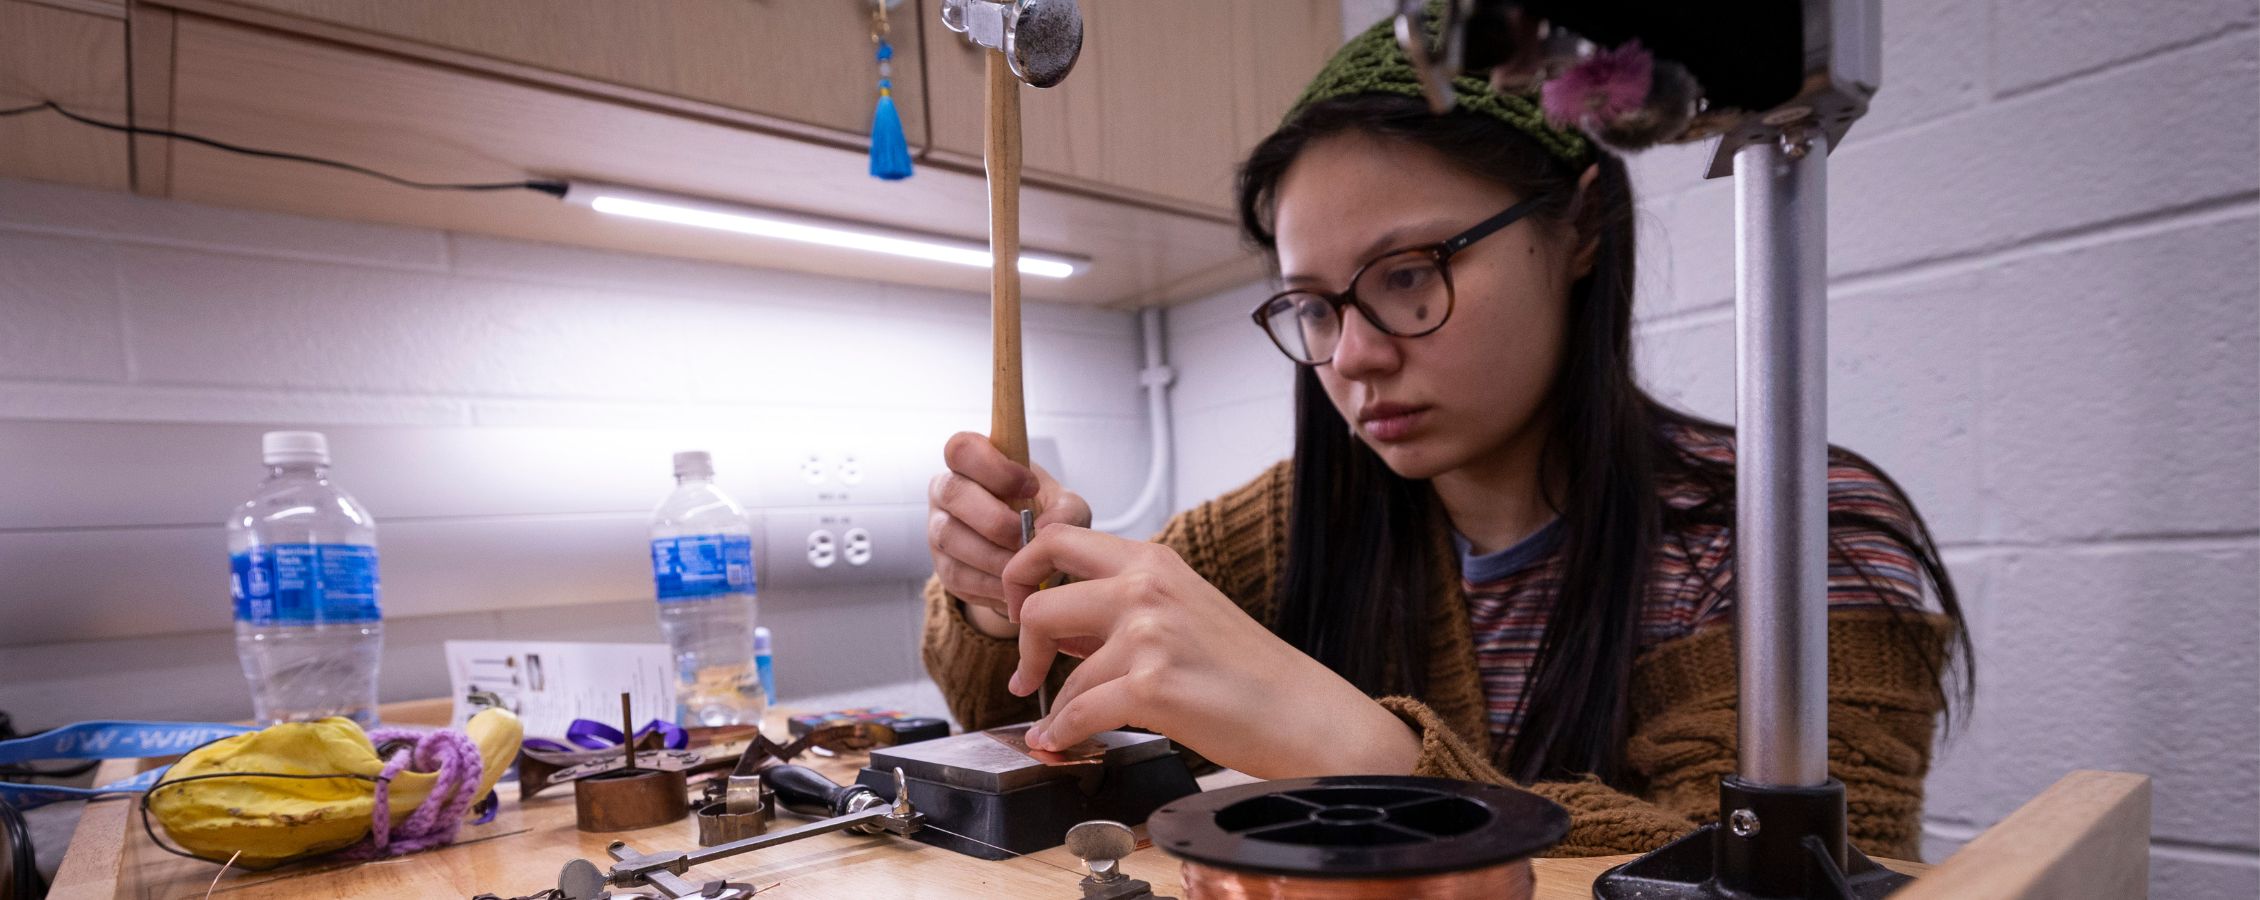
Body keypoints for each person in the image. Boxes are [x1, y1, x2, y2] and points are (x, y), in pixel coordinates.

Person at [920, 16, 1968, 859]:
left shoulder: (1789, 538)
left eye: (1410, 275)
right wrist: (999, 593)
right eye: (1316, 308)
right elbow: (1032, 707)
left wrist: (1369, 755)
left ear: (1580, 230)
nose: (1355, 358)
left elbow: (1800, 878)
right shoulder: (1290, 525)